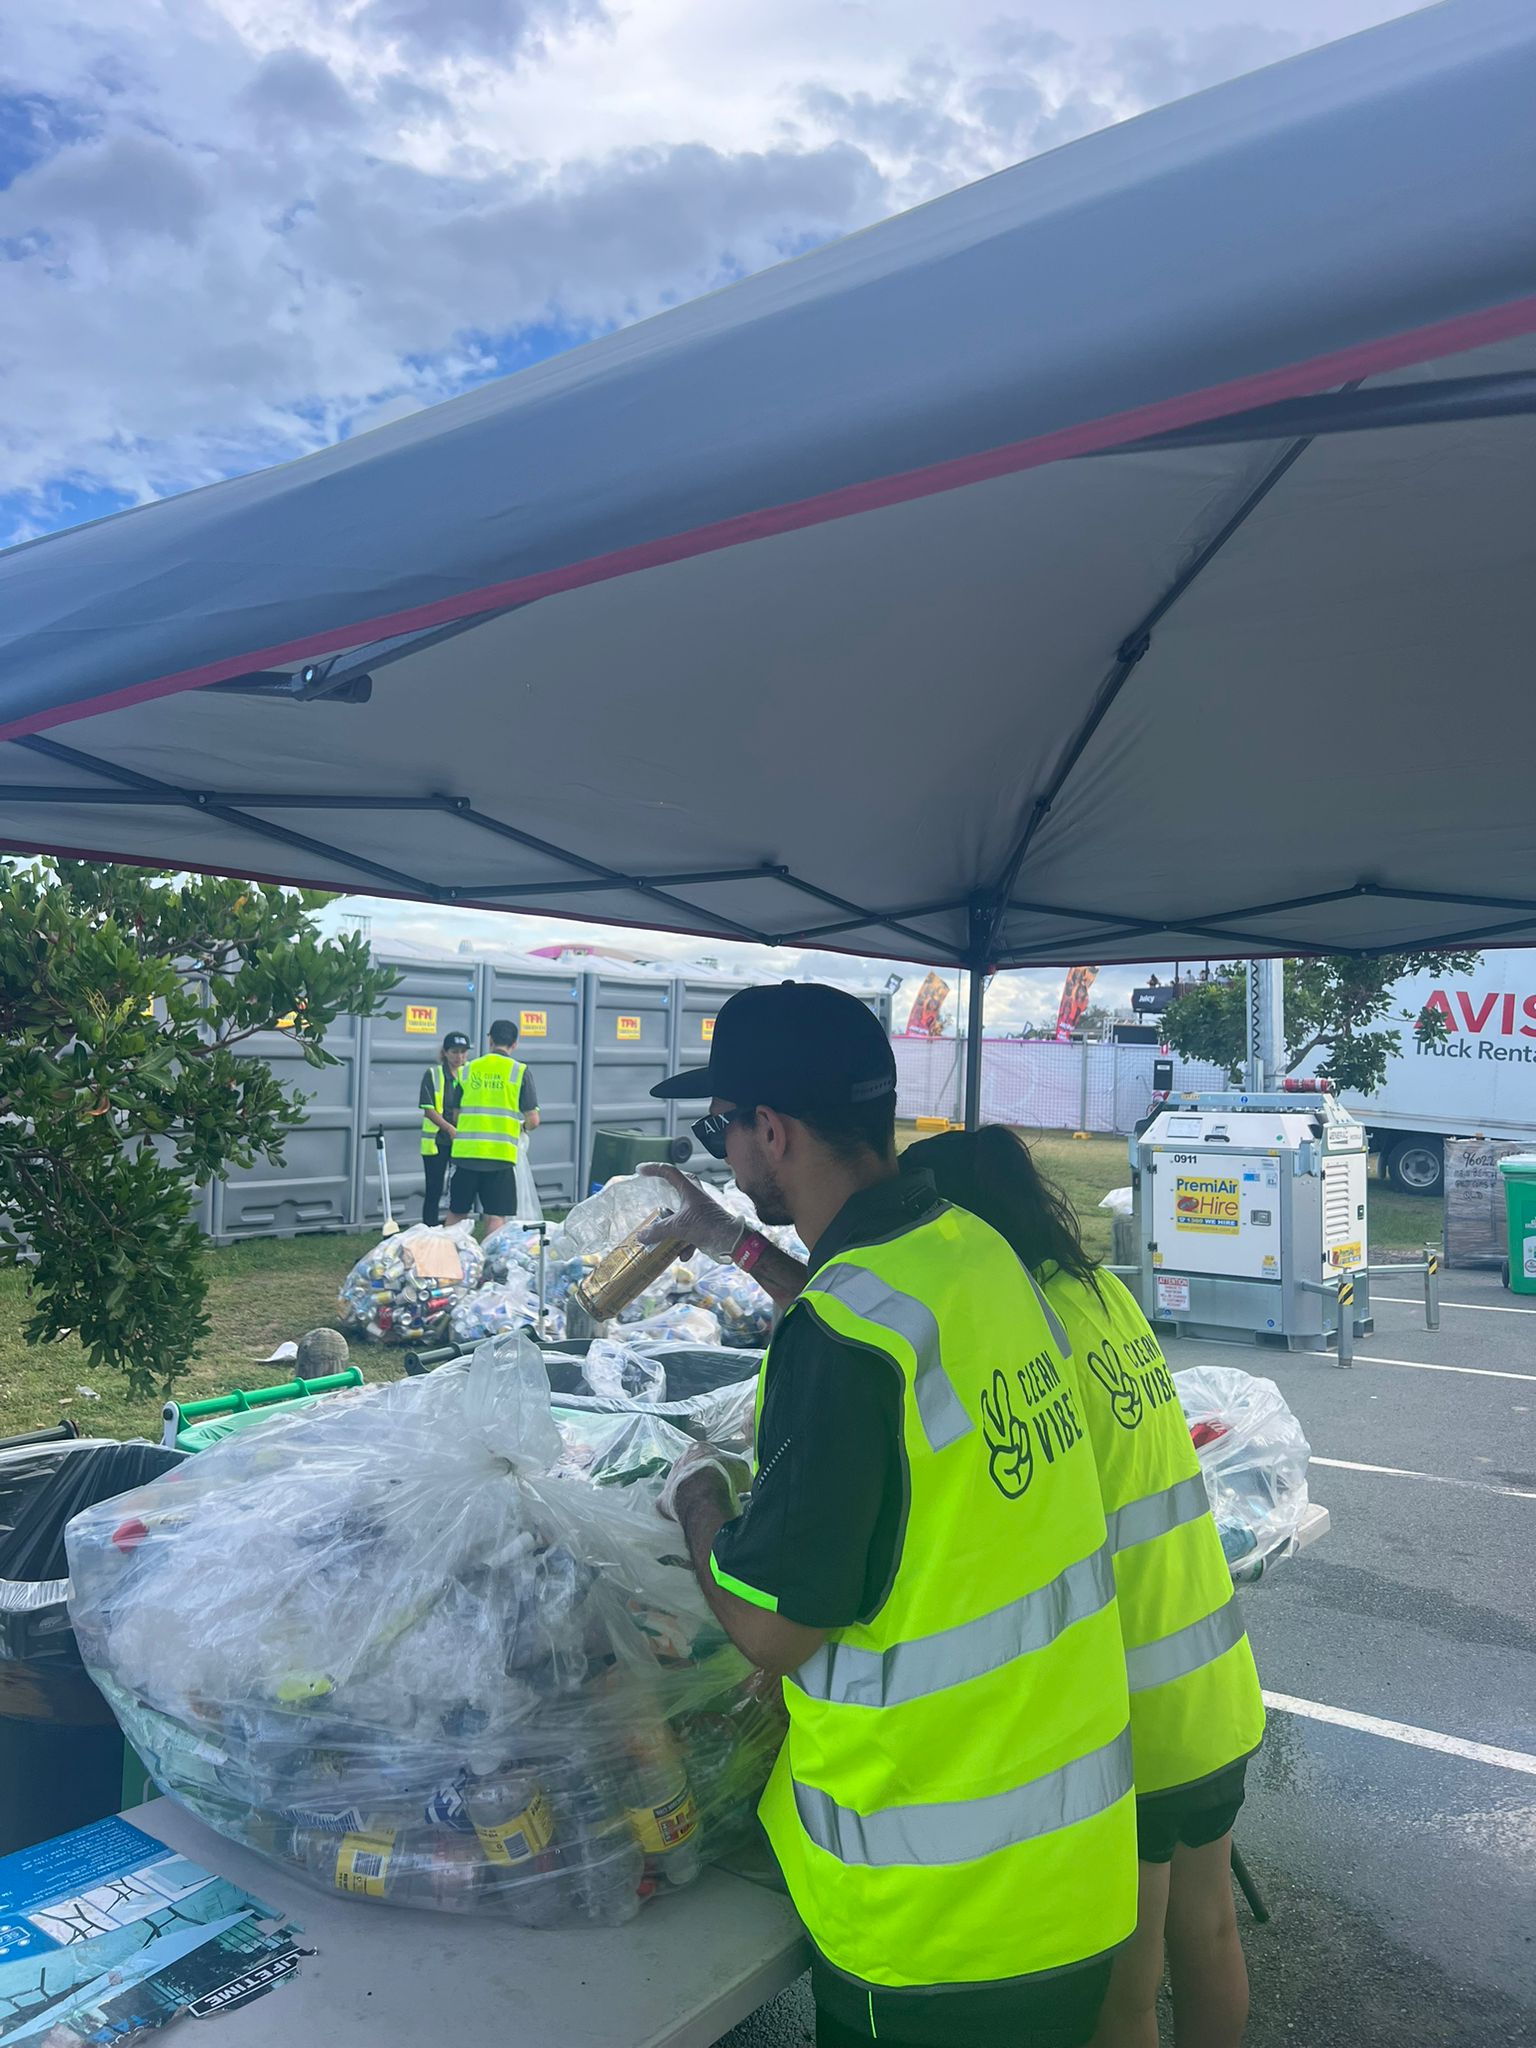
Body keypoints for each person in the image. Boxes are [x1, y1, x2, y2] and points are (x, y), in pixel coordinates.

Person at [645, 983, 1137, 2048]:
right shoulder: (972, 1247)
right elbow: (873, 1333)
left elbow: (775, 1628)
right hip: (1070, 1857)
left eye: (719, 1126)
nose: (724, 1149)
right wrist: (732, 1241)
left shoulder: (844, 1331)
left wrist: (699, 1499)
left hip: (936, 1908)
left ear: (768, 1129)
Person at [899, 1126, 1266, 2048]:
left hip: (1130, 1714)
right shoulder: (1102, 1295)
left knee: (1123, 1995)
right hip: (1211, 1683)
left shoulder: (1025, 1330)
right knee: (1210, 1927)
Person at [445, 1018, 539, 1235]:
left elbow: (456, 1116)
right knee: (495, 1217)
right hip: (500, 1158)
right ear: (514, 1044)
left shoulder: (467, 1070)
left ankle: (445, 1262)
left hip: (466, 1155)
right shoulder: (519, 1071)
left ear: (490, 1040)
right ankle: (490, 1265)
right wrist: (521, 1127)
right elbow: (533, 1120)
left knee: (456, 1213)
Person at [419, 1031, 470, 1227]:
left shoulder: (470, 1075)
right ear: (445, 1053)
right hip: (437, 1142)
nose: (459, 1057)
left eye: (463, 1052)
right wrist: (449, 1129)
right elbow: (428, 1110)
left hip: (462, 1142)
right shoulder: (433, 1074)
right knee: (434, 1188)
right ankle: (429, 1229)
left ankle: (454, 1228)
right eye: (455, 1052)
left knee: (459, 1188)